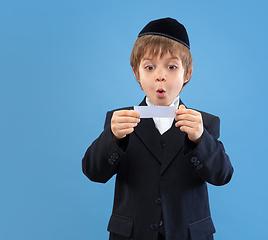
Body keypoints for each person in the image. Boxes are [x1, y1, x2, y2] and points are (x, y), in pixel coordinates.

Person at [82, 17, 234, 240]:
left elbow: (222, 176)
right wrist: (112, 138)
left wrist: (201, 139)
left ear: (187, 74)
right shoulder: (119, 120)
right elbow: (93, 172)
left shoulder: (205, 123)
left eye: (172, 67)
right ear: (137, 74)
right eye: (150, 67)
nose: (160, 76)